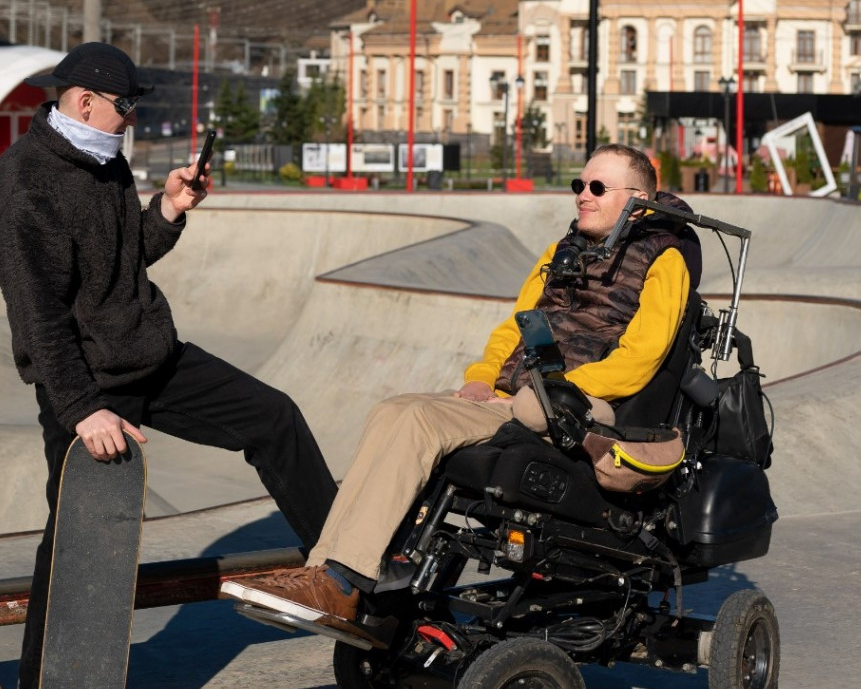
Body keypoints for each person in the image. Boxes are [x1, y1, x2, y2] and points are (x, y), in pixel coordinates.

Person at [0, 42, 338, 689]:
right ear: (83, 102)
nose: (131, 119)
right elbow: (38, 318)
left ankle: (340, 573)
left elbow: (124, 259)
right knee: (80, 528)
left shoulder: (103, 162)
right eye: (125, 107)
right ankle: (39, 688)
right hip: (86, 384)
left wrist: (168, 210)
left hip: (154, 355)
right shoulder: (25, 187)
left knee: (274, 417)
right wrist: (84, 410)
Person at [220, 144, 699, 638]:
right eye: (579, 185)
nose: (583, 196)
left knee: (460, 418)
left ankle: (343, 580)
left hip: (586, 408)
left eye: (598, 187)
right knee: (395, 411)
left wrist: (558, 390)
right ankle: (328, 571)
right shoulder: (564, 250)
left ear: (639, 199)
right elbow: (514, 328)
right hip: (523, 395)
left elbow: (642, 358)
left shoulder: (666, 257)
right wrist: (482, 376)